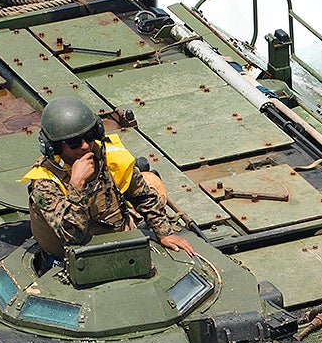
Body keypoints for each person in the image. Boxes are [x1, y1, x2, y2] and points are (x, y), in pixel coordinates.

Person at [23, 95, 194, 257]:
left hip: (121, 238)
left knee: (151, 181)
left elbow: (143, 196)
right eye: (74, 143)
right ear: (54, 147)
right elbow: (72, 236)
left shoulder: (110, 156)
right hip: (74, 256)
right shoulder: (45, 181)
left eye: (89, 136)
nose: (85, 146)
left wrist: (164, 232)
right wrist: (76, 184)